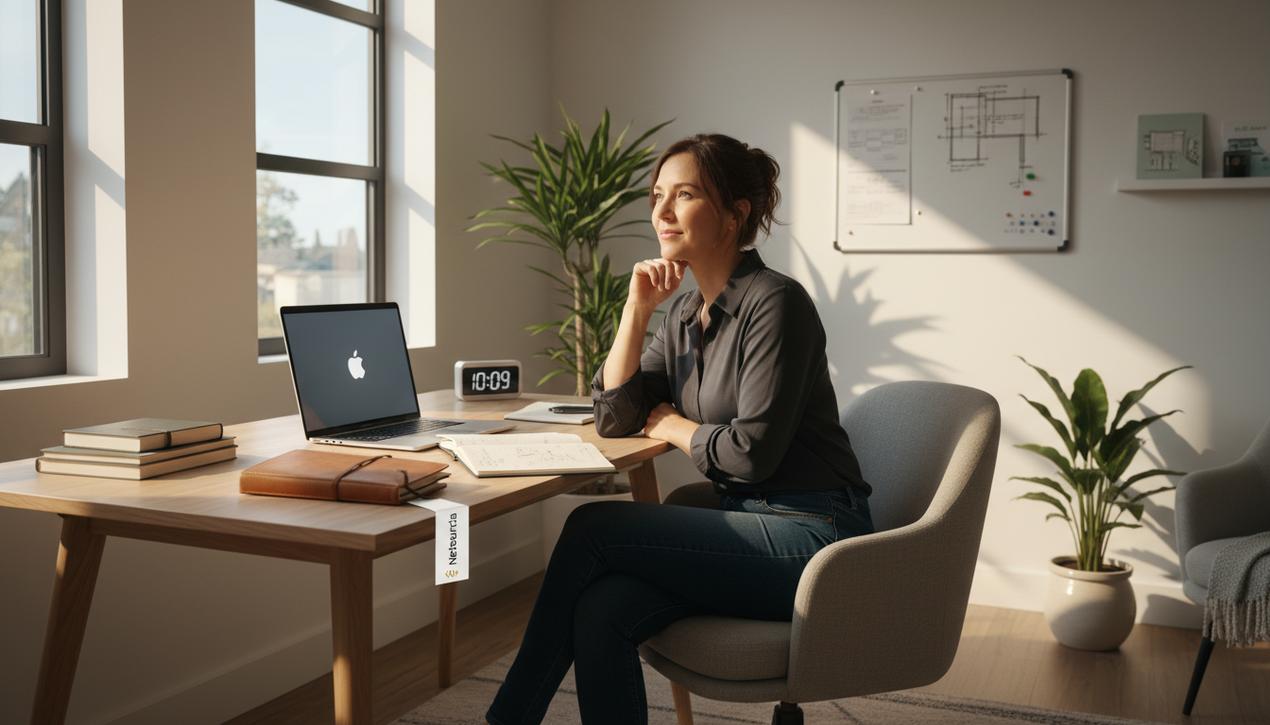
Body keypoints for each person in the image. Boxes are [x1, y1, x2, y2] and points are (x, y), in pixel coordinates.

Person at [486, 133, 873, 725]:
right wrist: (635, 312)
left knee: (592, 525)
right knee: (602, 606)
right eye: (657, 195)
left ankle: (507, 718)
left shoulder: (777, 304)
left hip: (816, 539)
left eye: (684, 195)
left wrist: (668, 422)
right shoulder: (683, 314)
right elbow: (615, 419)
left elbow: (750, 456)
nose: (662, 212)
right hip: (747, 529)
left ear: (735, 214)